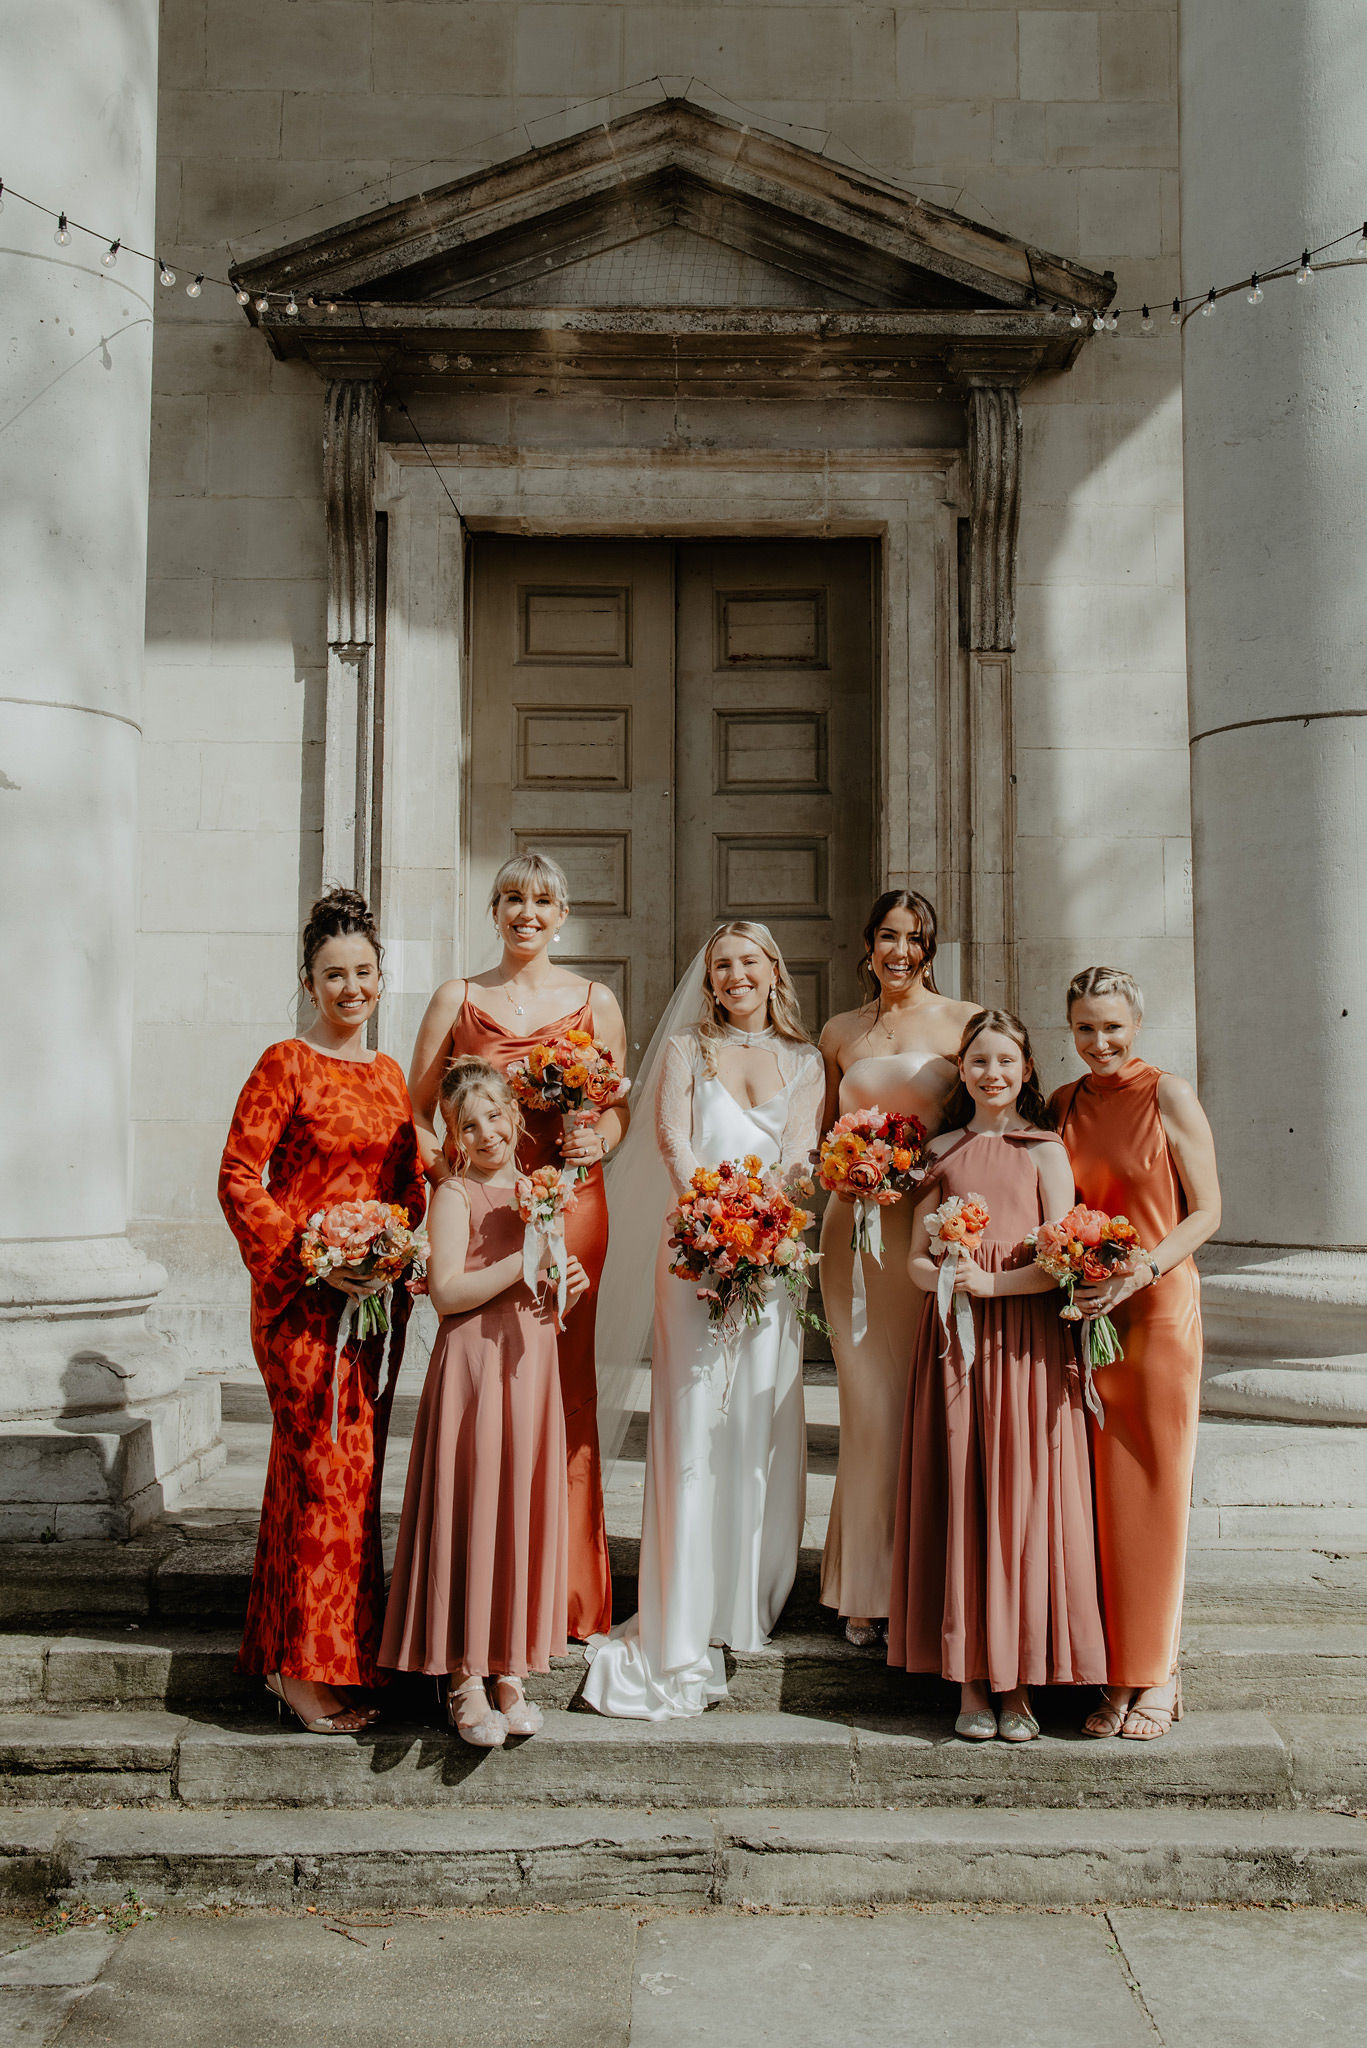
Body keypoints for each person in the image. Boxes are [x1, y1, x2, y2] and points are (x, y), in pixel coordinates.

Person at [582, 922, 825, 1719]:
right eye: (721, 965)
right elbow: (671, 1140)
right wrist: (713, 1218)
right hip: (693, 1253)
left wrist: (761, 1225)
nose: (733, 975)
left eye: (747, 961)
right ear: (710, 980)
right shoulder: (690, 1048)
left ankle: (742, 1600)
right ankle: (684, 1603)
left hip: (770, 1257)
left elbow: (798, 1156)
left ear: (771, 971)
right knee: (693, 1418)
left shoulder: (805, 1060)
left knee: (757, 1420)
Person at [407, 852, 628, 1643]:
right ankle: (484, 1573)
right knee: (493, 1382)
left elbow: (614, 1113)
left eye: (541, 900)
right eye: (510, 898)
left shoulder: (595, 1001)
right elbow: (418, 1112)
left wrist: (592, 1142)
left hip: (569, 1206)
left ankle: (568, 1591)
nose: (525, 912)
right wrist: (461, 1192)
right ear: (493, 911)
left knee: (566, 1390)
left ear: (563, 914)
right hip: (487, 1213)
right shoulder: (457, 999)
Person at [218, 888, 425, 1733]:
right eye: (333, 975)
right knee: (321, 1472)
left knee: (352, 1475)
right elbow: (240, 1175)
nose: (351, 988)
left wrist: (397, 1254)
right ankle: (303, 1673)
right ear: (309, 983)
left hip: (374, 1311)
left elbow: (407, 1186)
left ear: (382, 978)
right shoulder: (284, 1064)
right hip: (302, 1307)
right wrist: (314, 1255)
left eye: (363, 972)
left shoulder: (387, 1076)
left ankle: (319, 1654)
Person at [888, 1008, 1106, 1742]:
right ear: (964, 1071)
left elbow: (1066, 1260)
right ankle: (972, 1685)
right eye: (978, 1061)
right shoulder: (941, 1150)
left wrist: (995, 1288)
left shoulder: (1044, 1149)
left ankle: (1019, 1688)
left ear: (1025, 1071)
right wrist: (944, 1279)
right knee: (965, 1491)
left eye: (1004, 1061)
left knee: (1019, 1497)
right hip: (953, 1342)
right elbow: (915, 1258)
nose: (991, 1074)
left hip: (1026, 1345)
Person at [380, 1058, 588, 1747]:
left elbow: (547, 1280)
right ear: (455, 1135)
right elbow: (445, 1294)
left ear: (514, 1115)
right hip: (473, 1367)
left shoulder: (540, 1191)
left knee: (515, 1510)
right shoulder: (454, 1196)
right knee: (472, 1507)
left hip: (530, 1364)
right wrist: (523, 1262)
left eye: (495, 1115)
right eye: (469, 1125)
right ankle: (463, 1674)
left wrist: (565, 1282)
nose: (487, 1132)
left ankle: (510, 1670)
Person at [1051, 966, 1221, 1740]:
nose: (1099, 1043)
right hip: (1089, 1317)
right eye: (1084, 1028)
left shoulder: (1168, 1095)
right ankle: (1114, 1676)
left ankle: (1156, 1671)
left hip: (1157, 1313)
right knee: (1099, 1498)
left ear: (1137, 1023)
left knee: (1152, 1490)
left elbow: (1208, 1211)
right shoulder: (1062, 1105)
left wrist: (1142, 1269)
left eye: (1111, 1027)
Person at [817, 890, 977, 1645]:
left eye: (914, 939)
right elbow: (819, 1135)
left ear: (931, 947)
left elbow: (989, 1122)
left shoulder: (964, 1022)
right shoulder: (838, 1031)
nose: (899, 952)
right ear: (868, 941)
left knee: (927, 1400)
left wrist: (922, 1167)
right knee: (868, 1406)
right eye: (887, 936)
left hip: (925, 1230)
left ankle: (933, 1577)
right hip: (852, 1235)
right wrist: (845, 1170)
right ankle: (863, 1585)